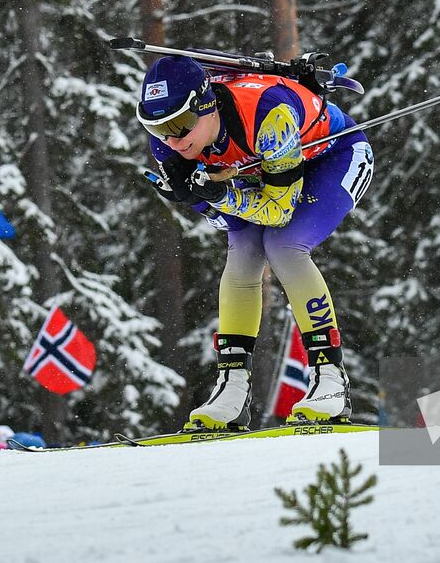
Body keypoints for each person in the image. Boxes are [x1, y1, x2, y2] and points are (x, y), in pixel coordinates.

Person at [138, 55, 374, 430]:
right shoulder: (170, 144)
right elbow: (228, 216)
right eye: (155, 127)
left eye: (180, 124)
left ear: (207, 104)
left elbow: (278, 212)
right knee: (244, 248)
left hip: (333, 156)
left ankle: (330, 379)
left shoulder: (269, 115)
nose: (171, 138)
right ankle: (232, 387)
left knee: (284, 245)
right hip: (265, 170)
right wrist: (201, 199)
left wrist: (219, 196)